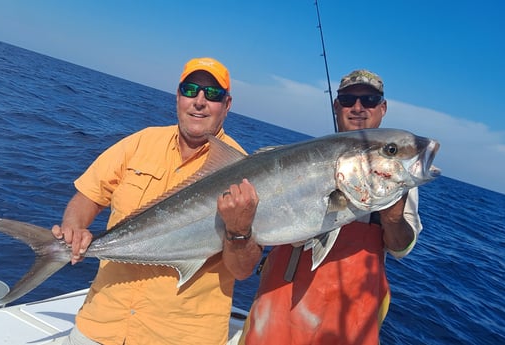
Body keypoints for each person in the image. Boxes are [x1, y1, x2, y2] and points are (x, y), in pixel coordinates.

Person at [52, 57, 263, 345]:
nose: (199, 101)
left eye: (212, 95)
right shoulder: (141, 142)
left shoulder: (246, 173)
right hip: (101, 323)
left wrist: (238, 231)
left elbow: (242, 271)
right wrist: (74, 227)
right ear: (178, 96)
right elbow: (88, 195)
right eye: (190, 90)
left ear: (226, 105)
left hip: (179, 337)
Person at [239, 69, 422, 345]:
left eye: (369, 100)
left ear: (382, 108)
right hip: (276, 309)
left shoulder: (397, 174)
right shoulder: (305, 159)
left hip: (346, 324)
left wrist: (393, 220)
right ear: (337, 106)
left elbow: (401, 248)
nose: (358, 107)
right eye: (348, 99)